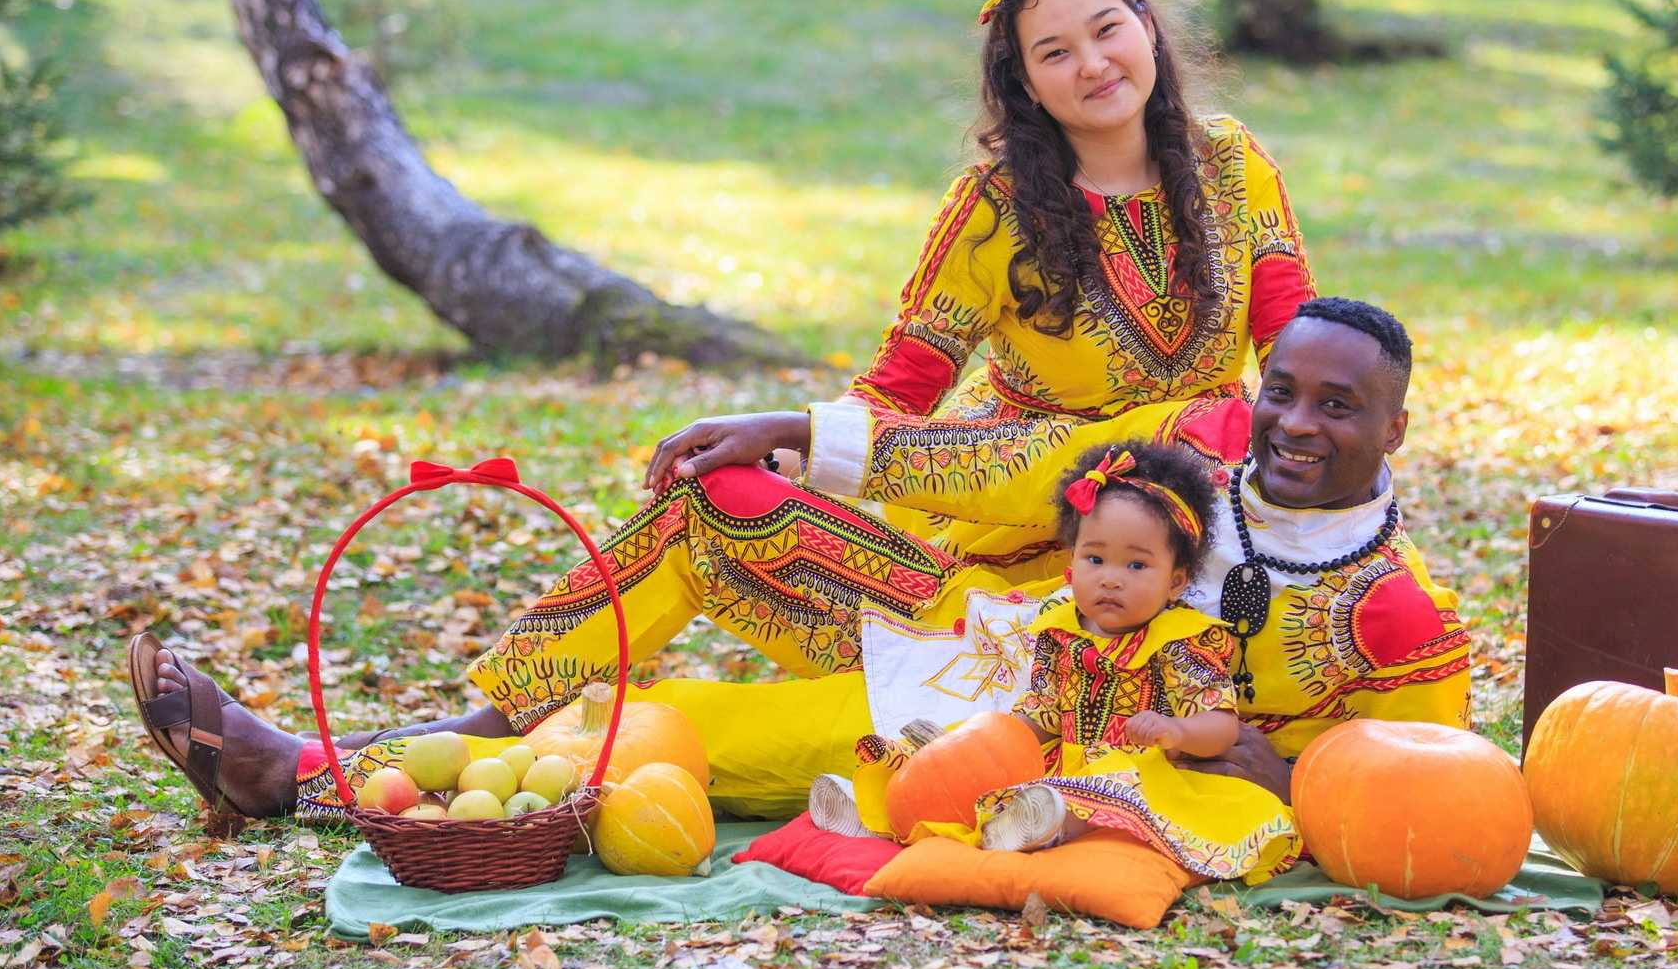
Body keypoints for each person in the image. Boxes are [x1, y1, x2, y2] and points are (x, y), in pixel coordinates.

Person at [131, 297, 1469, 828]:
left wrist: (1248, 757)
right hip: (979, 630)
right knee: (724, 496)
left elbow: (1412, 793)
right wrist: (794, 434)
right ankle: (464, 719)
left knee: (659, 731)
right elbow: (1000, 465)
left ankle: (310, 776)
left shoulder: (1395, 613)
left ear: (1396, 428)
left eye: (1339, 407)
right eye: (1286, 389)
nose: (1296, 424)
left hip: (1000, 726)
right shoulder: (1202, 439)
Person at [972, 442, 1299, 883]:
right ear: (1071, 562)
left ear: (1175, 581)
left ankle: (1047, 829)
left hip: (1145, 774)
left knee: (1116, 793)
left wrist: (1178, 731)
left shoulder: (1179, 642)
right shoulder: (1061, 629)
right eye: (1095, 558)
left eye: (1136, 565)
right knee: (977, 767)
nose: (1111, 577)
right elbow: (1045, 710)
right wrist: (997, 740)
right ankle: (1003, 810)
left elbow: (1221, 728)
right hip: (1069, 764)